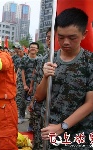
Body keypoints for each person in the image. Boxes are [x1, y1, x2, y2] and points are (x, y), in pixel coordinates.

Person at [35, 7, 93, 149]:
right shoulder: (48, 59)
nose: (66, 42)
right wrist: (45, 77)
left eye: (72, 37)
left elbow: (90, 103)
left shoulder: (89, 62)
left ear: (84, 34)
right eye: (60, 37)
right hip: (47, 129)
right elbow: (38, 96)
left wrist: (62, 126)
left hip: (76, 134)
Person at [28, 27, 51, 149]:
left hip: (56, 111)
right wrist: (32, 101)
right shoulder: (42, 60)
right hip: (40, 105)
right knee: (38, 137)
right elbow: (37, 81)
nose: (50, 40)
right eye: (48, 38)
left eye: (53, 37)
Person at [15, 47, 27, 124]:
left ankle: (22, 115)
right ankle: (20, 115)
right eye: (18, 52)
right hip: (19, 82)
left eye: (20, 51)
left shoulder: (26, 59)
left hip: (26, 82)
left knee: (24, 100)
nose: (19, 53)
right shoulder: (17, 59)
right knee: (19, 99)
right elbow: (18, 69)